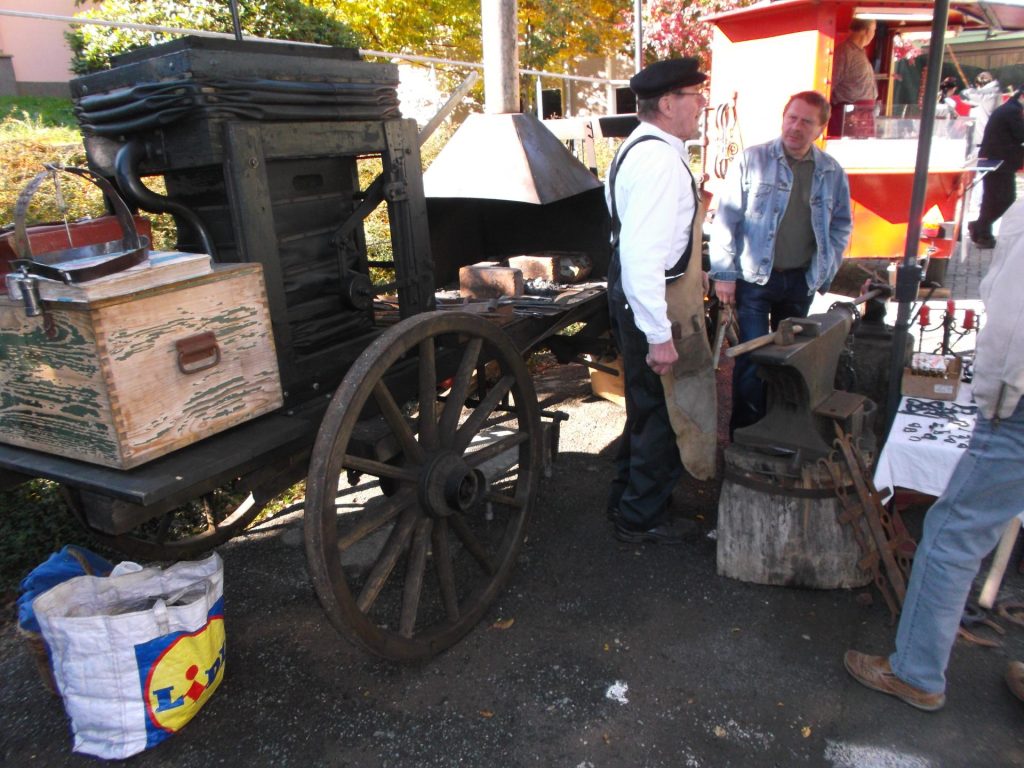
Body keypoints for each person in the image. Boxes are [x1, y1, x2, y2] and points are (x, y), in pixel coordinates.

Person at [845, 197, 1024, 712]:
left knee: (951, 534)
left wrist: (990, 397)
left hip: (1017, 403)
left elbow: (1012, 321)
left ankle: (916, 673)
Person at [605, 57, 709, 545]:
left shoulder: (638, 147)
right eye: (695, 97)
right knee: (663, 410)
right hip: (650, 293)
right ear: (668, 104)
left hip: (637, 288)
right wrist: (659, 335)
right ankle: (640, 517)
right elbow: (642, 256)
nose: (702, 105)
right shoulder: (660, 160)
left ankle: (627, 499)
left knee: (645, 405)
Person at [710, 91, 852, 435]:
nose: (796, 127)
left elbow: (841, 224)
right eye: (792, 117)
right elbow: (727, 219)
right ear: (783, 117)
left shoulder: (830, 171)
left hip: (800, 281)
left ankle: (780, 433)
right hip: (755, 280)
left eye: (806, 121)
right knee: (752, 361)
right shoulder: (752, 160)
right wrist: (724, 275)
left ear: (820, 128)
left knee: (792, 362)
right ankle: (745, 438)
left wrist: (824, 270)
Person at [968, 88, 1024, 250]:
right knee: (1003, 199)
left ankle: (982, 232)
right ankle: (980, 228)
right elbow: (1021, 134)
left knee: (994, 199)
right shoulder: (1012, 111)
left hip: (999, 161)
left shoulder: (1011, 108)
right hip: (999, 162)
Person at [828, 18, 878, 136]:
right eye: (874, 30)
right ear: (866, 31)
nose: (873, 35)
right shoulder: (844, 52)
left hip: (865, 114)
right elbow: (830, 84)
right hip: (850, 116)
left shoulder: (860, 52)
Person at [962, 71, 1001, 152]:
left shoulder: (989, 94)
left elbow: (967, 97)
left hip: (983, 139)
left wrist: (969, 91)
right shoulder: (990, 94)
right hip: (980, 139)